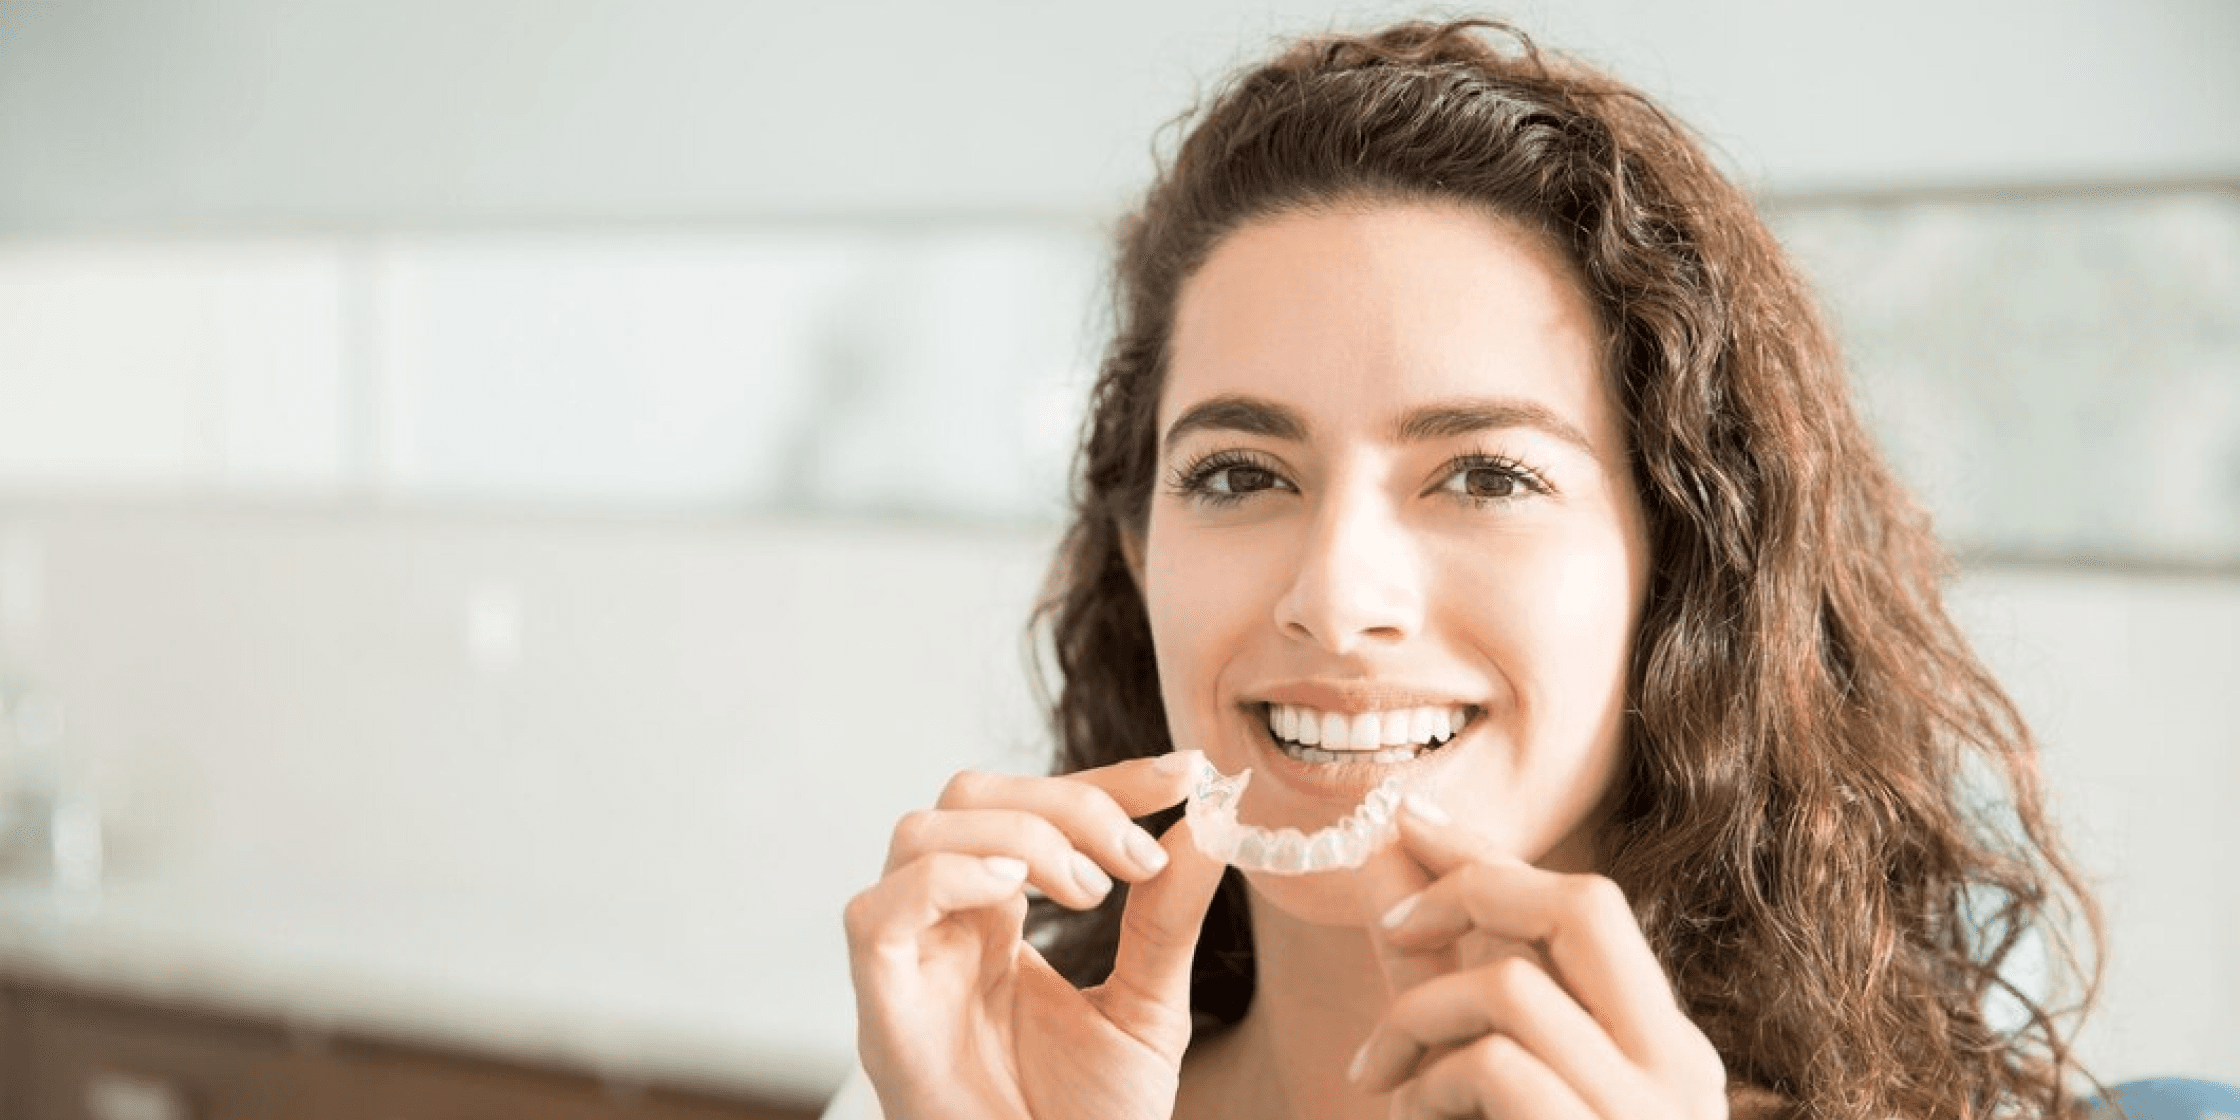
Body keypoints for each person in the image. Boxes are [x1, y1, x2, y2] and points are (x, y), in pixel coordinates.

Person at [834, 17, 2102, 1120]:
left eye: (1487, 475)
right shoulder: (943, 1095)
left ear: (1683, 573)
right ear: (1139, 552)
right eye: (1238, 474)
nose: (1334, 599)